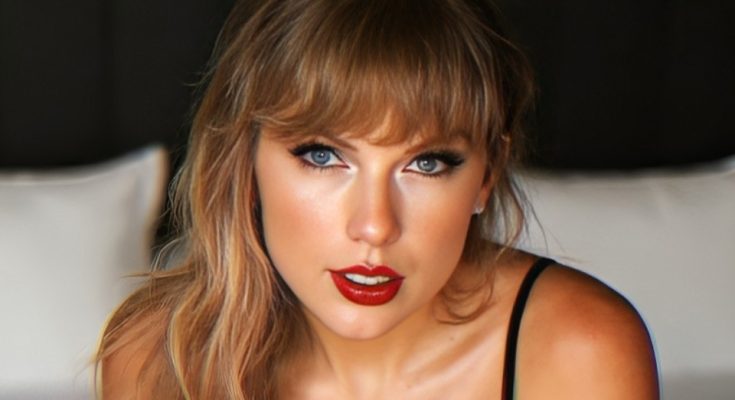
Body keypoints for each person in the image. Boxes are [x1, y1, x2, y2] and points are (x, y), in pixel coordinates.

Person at [97, 0, 659, 398]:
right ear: (243, 160)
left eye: (426, 164)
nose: (374, 226)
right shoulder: (155, 357)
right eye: (323, 156)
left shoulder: (578, 350)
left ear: (486, 176)